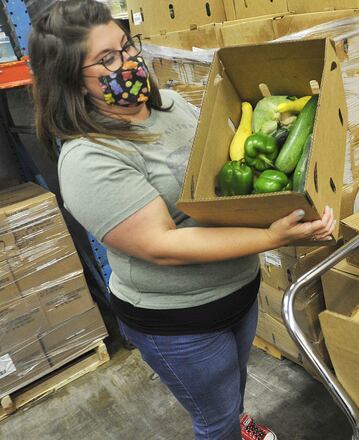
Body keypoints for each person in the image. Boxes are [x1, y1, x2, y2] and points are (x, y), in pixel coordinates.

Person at [28, 1, 335, 439]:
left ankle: (235, 417)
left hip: (238, 290)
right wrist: (269, 235)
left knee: (233, 388)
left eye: (126, 46)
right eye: (108, 59)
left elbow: (217, 179)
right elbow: (163, 247)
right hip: (180, 322)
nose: (129, 61)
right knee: (214, 420)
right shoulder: (89, 159)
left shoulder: (170, 106)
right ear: (71, 80)